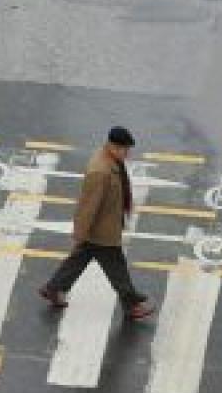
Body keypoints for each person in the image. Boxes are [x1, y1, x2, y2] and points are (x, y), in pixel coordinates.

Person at [38, 126, 154, 321]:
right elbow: (88, 205)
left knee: (78, 260)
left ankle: (53, 288)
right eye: (125, 149)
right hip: (101, 230)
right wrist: (81, 232)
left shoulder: (111, 161)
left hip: (103, 226)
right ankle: (131, 304)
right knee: (116, 268)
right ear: (113, 146)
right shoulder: (100, 171)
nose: (128, 153)